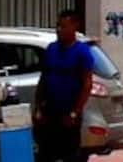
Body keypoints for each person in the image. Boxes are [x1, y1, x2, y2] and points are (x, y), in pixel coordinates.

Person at [32, 9, 93, 162]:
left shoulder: (82, 52)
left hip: (69, 114)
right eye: (58, 25)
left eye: (64, 26)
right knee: (45, 153)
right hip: (49, 112)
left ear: (74, 26)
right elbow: (43, 79)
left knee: (70, 154)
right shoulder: (51, 49)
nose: (59, 30)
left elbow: (87, 85)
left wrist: (75, 112)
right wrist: (38, 107)